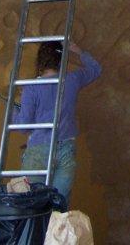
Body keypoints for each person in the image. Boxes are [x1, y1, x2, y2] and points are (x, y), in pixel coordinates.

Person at [14, 40, 101, 205]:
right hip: (65, 150)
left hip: (38, 150)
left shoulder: (31, 88)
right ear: (61, 60)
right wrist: (77, 50)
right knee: (58, 207)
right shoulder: (72, 80)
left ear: (40, 61)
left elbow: (23, 127)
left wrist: (13, 109)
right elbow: (96, 69)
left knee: (34, 207)